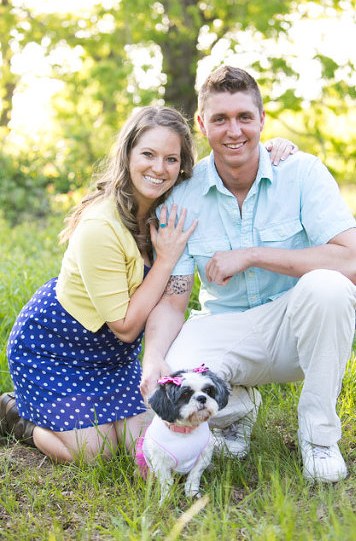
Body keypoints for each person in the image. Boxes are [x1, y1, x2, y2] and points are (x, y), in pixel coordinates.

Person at [0, 106, 297, 463]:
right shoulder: (100, 227)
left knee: (148, 440)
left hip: (111, 357)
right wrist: (167, 259)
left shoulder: (170, 205)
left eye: (171, 159)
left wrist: (269, 149)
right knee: (98, 452)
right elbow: (125, 328)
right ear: (127, 154)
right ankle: (20, 418)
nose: (159, 168)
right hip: (56, 351)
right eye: (148, 154)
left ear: (182, 167)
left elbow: (223, 167)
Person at [138, 65, 356, 484]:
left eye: (244, 117)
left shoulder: (302, 172)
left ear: (262, 120)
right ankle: (234, 412)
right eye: (220, 119)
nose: (234, 130)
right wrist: (154, 357)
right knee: (177, 371)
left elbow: (353, 263)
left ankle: (318, 439)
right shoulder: (183, 196)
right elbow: (173, 301)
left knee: (330, 286)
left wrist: (252, 255)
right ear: (202, 125)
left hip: (296, 327)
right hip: (226, 328)